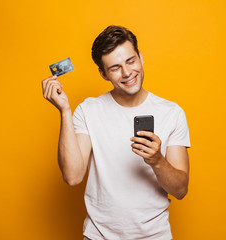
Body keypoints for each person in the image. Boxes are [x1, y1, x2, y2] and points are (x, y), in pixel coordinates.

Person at [42, 25, 191, 240]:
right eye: (115, 67)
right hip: (98, 236)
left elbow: (181, 190)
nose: (127, 72)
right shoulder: (88, 110)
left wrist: (157, 160)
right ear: (103, 73)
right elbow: (73, 176)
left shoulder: (172, 113)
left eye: (131, 61)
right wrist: (65, 110)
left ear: (140, 57)